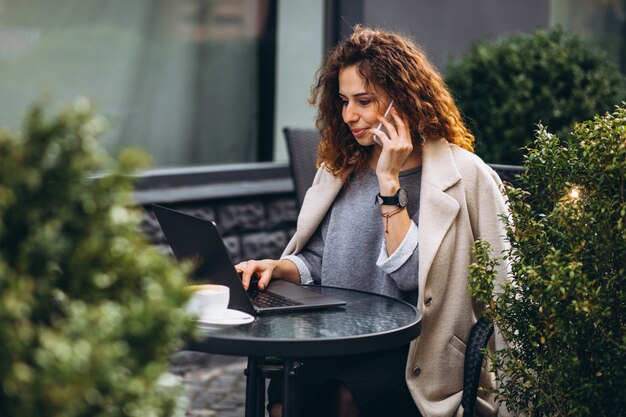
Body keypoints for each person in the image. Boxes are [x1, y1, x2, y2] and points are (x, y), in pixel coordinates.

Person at [236, 25, 509, 417]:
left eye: (364, 101)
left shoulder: (466, 176)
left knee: (346, 399)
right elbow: (318, 260)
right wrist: (277, 267)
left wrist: (389, 182)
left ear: (404, 100)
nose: (349, 115)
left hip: (413, 353)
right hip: (335, 337)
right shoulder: (340, 167)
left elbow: (414, 276)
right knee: (284, 397)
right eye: (344, 101)